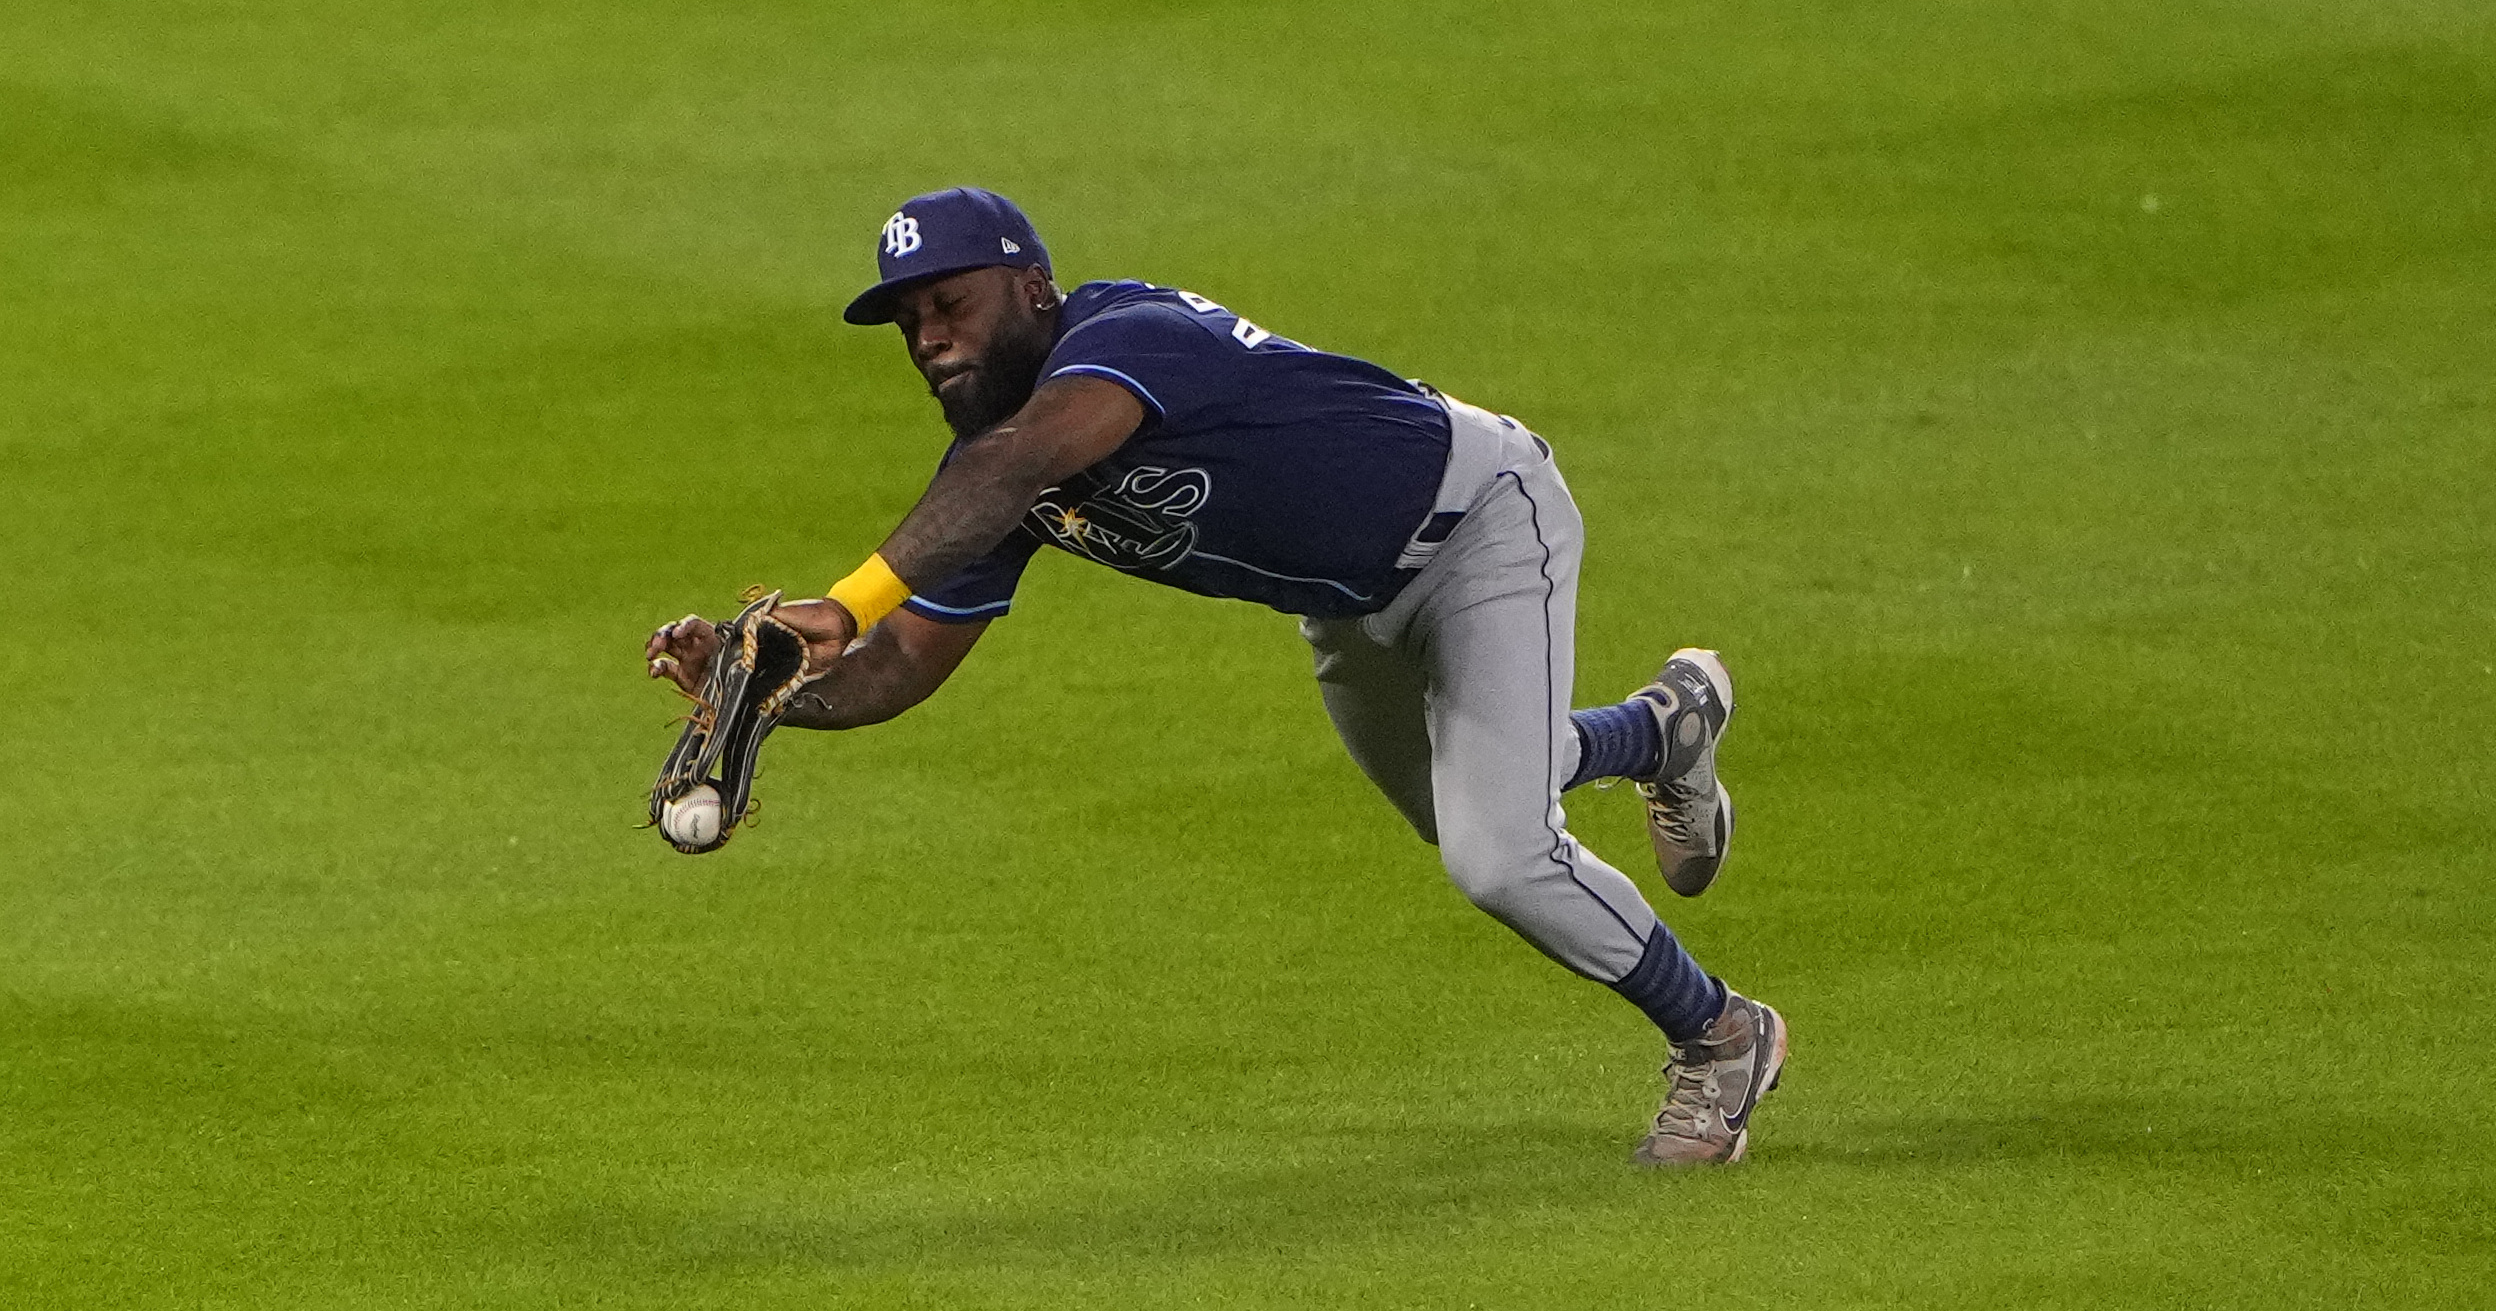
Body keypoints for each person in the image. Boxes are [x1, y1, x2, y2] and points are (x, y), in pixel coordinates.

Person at [644, 188, 1786, 1165]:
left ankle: (1722, 1034)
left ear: (1032, 288)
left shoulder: (1127, 339)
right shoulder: (983, 481)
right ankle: (1658, 730)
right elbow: (897, 667)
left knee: (1501, 853)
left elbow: (1031, 459)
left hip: (1483, 523)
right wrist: (762, 687)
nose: (929, 337)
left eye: (951, 305)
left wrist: (843, 599)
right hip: (1346, 607)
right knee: (1469, 800)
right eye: (907, 323)